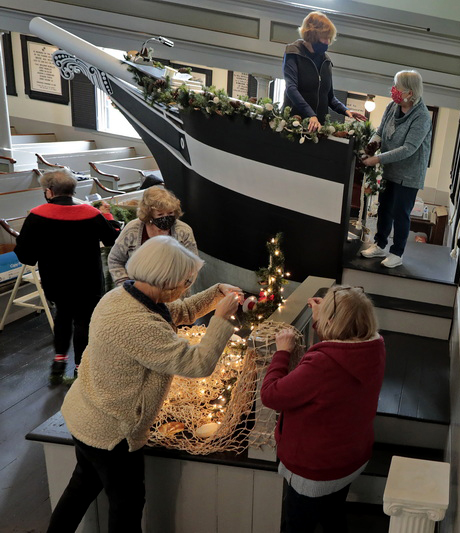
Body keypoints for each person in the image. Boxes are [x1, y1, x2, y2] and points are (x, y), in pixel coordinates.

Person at [46, 236, 242, 533]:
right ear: (166, 281)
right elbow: (197, 364)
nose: (186, 287)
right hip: (113, 433)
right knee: (126, 507)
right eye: (185, 281)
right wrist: (222, 318)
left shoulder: (123, 296)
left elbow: (179, 312)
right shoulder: (138, 325)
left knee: (81, 487)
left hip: (86, 415)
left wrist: (216, 293)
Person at [261, 286, 385, 533]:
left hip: (315, 471)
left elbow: (271, 394)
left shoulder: (322, 364)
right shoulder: (374, 347)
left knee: (296, 526)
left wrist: (282, 353)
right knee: (333, 515)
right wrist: (322, 317)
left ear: (331, 321)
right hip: (349, 457)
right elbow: (340, 346)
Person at [14, 170, 121, 384]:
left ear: (49, 191)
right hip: (88, 279)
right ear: (73, 190)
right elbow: (112, 240)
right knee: (83, 321)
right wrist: (109, 218)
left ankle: (58, 364)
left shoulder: (36, 215)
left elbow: (26, 255)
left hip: (55, 280)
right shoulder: (91, 213)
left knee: (62, 315)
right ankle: (80, 369)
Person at [360, 70, 432, 268]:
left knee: (401, 213)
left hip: (409, 175)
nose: (393, 90)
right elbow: (380, 131)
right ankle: (380, 244)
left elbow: (408, 149)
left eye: (397, 87)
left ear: (410, 92)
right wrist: (371, 146)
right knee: (384, 207)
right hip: (391, 169)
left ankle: (397, 253)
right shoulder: (393, 106)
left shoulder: (422, 116)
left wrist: (377, 159)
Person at [282, 11, 367, 132]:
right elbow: (291, 88)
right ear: (312, 34)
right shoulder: (293, 53)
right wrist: (311, 114)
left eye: (329, 38)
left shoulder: (326, 61)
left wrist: (346, 110)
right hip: (294, 125)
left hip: (319, 127)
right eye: (325, 37)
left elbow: (329, 97)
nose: (328, 42)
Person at [107, 186, 197, 287]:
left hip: (174, 293)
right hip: (138, 293)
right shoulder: (132, 230)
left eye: (170, 213)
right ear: (149, 215)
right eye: (160, 214)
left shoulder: (184, 231)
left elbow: (193, 264)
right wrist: (126, 285)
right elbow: (115, 260)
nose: (166, 218)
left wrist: (180, 286)